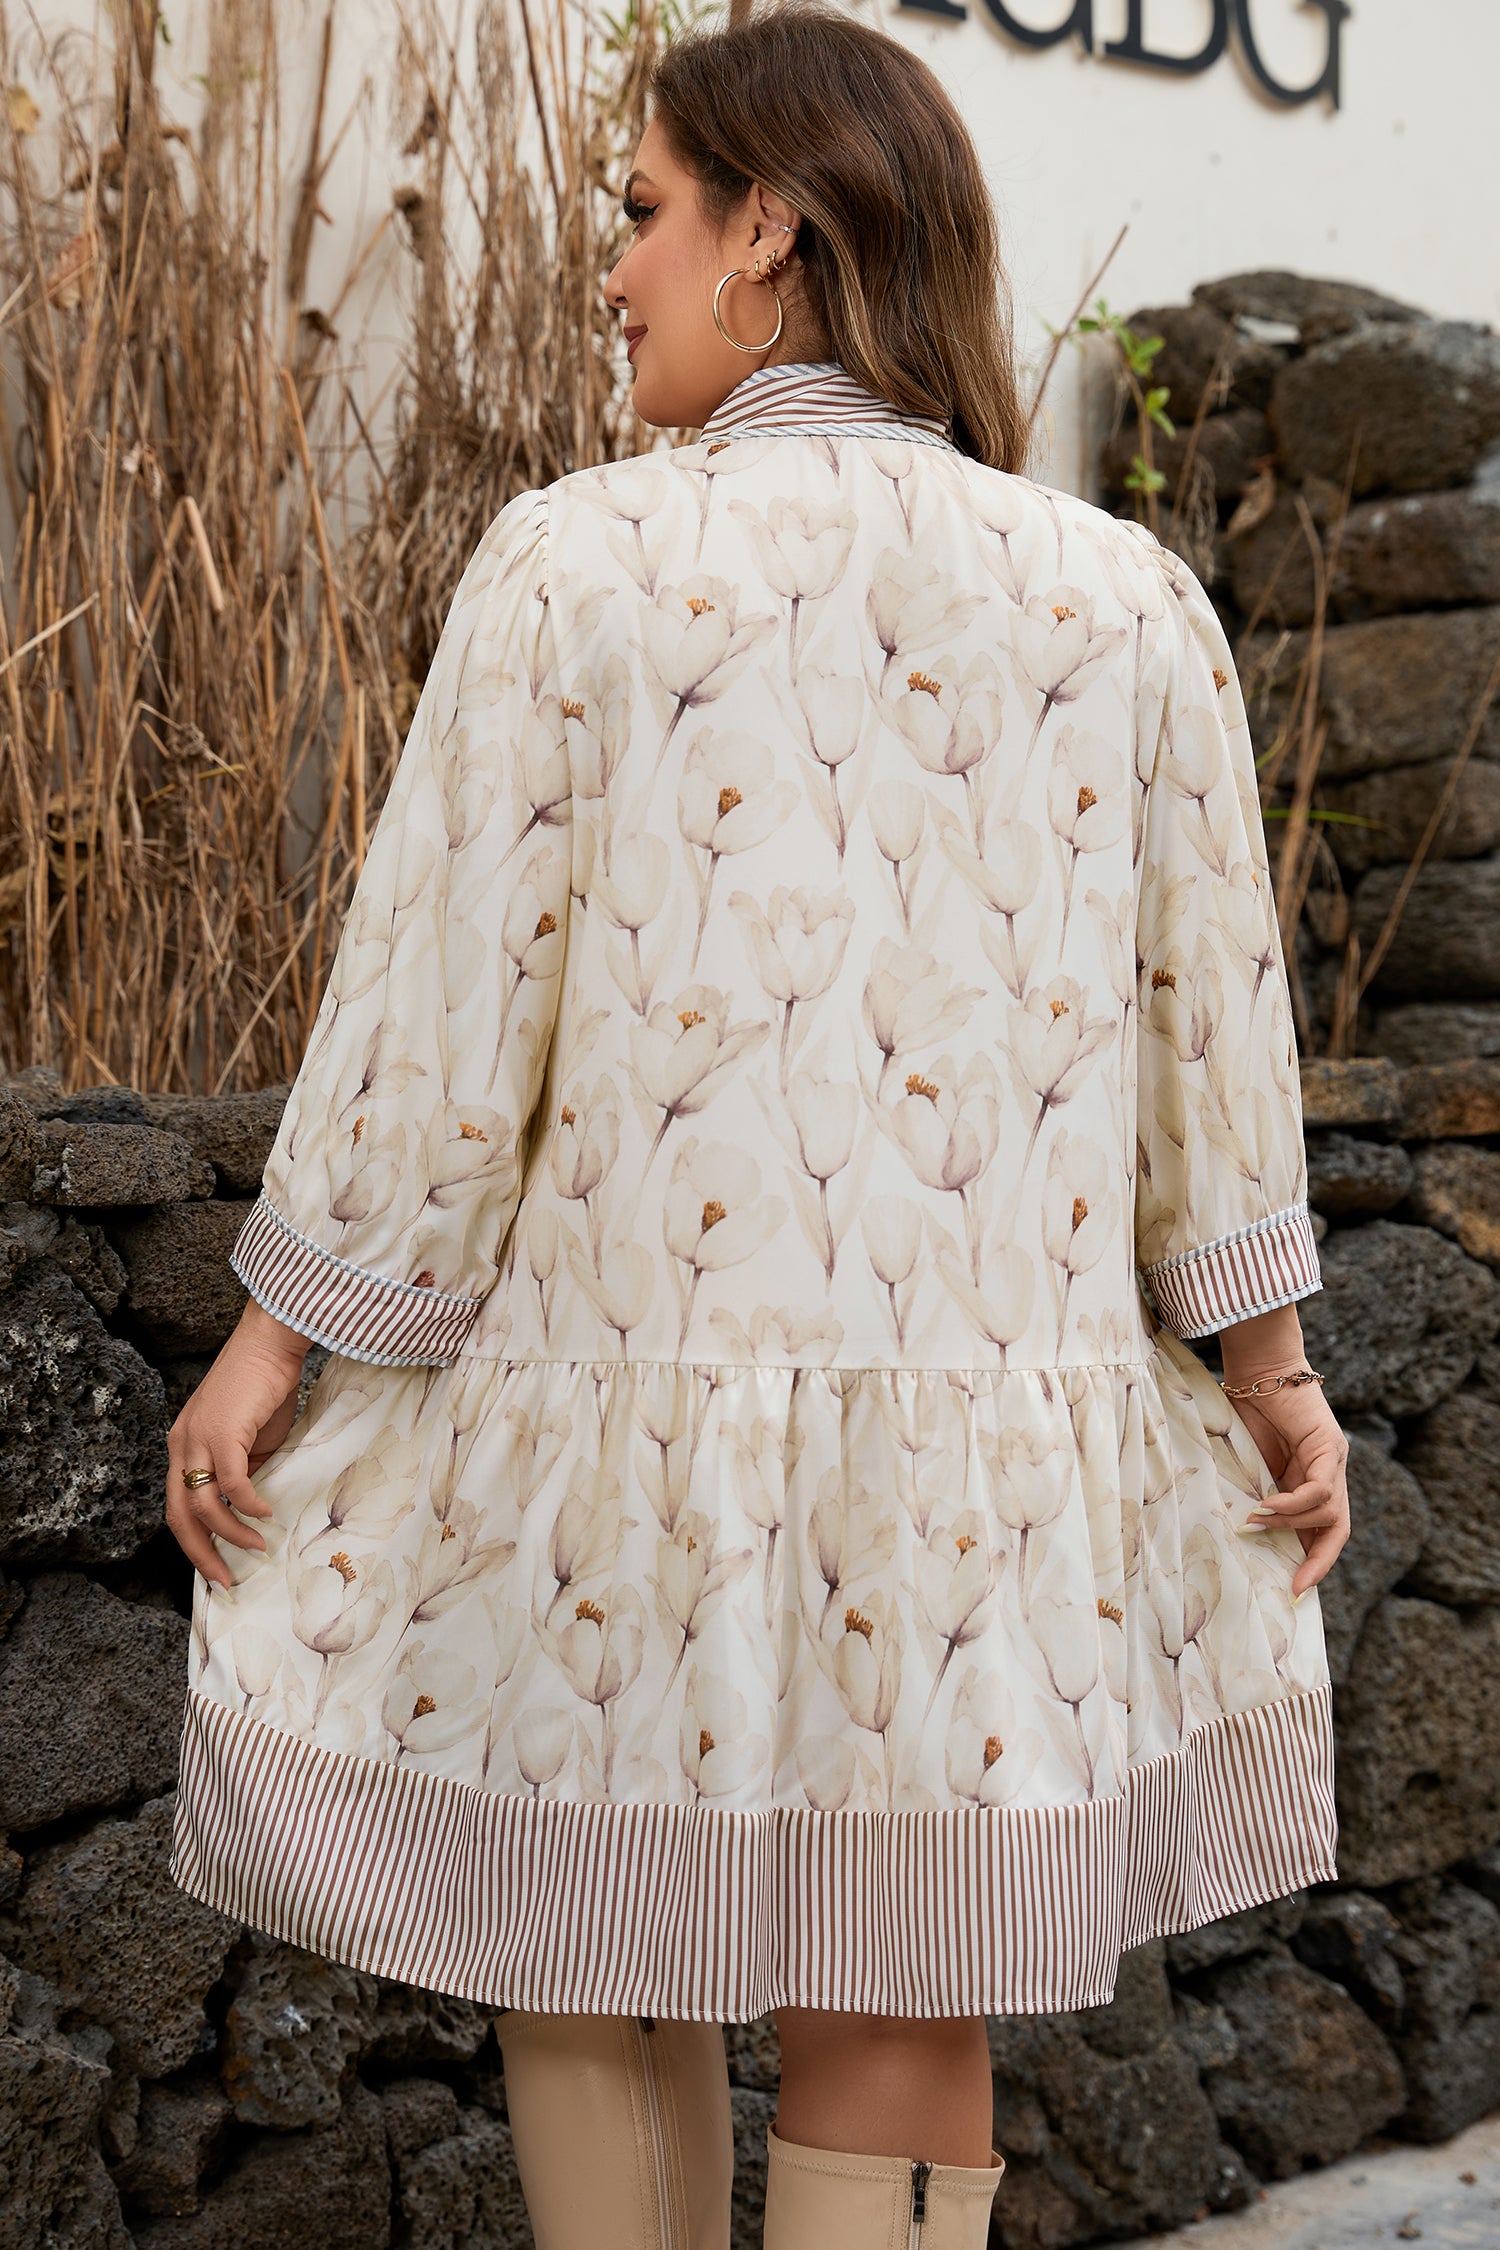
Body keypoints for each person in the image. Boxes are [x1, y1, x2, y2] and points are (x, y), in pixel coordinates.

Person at [164, 4, 1351, 2243]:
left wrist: (272, 1345)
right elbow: (1211, 1038)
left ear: (771, 232)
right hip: (975, 1474)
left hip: (630, 1426)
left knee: (601, 1934)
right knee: (902, 1978)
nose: (611, 268)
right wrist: (1270, 1367)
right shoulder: (1125, 601)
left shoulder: (574, 566)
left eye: (641, 212)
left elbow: (442, 1016)